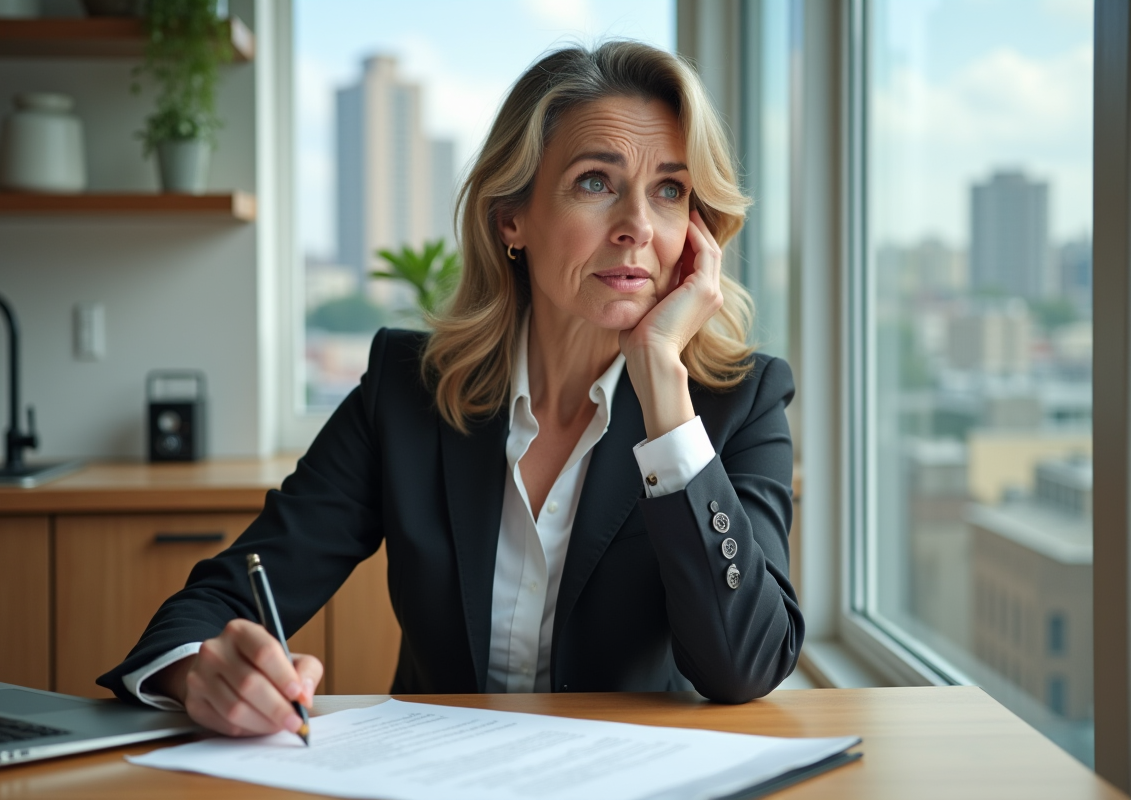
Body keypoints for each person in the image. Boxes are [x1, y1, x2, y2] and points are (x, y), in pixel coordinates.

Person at [98, 40, 803, 738]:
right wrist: (199, 673)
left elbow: (745, 665)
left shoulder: (740, 403)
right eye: (596, 182)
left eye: (670, 191)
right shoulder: (408, 391)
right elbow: (215, 602)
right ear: (511, 218)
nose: (638, 228)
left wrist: (665, 398)